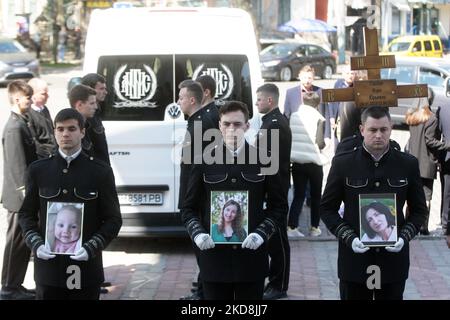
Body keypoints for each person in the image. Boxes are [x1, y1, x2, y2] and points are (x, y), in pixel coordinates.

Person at [181, 101, 287, 300]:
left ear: (247, 126)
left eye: (237, 124)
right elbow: (188, 208)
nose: (232, 129)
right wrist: (197, 234)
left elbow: (279, 207)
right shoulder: (202, 160)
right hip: (214, 261)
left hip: (251, 261)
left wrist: (262, 234)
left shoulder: (264, 160)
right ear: (219, 126)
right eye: (227, 124)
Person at [320, 106, 428, 300]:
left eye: (383, 130)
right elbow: (327, 208)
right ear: (362, 130)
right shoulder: (343, 163)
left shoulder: (407, 164)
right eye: (372, 130)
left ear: (391, 128)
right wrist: (349, 237)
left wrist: (404, 237)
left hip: (392, 263)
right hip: (355, 262)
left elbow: (419, 211)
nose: (378, 135)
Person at [18, 108, 122, 300]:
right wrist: (36, 244)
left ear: (82, 132)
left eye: (72, 129)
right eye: (60, 129)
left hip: (85, 270)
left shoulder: (100, 172)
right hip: (48, 271)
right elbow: (26, 214)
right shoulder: (38, 170)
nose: (66, 134)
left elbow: (113, 219)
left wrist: (92, 247)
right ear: (54, 132)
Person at [177, 79, 217, 300]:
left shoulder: (202, 122)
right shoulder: (196, 121)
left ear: (192, 100)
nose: (178, 102)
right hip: (193, 194)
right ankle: (203, 288)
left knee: (203, 249)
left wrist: (191, 199)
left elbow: (201, 166)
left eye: (181, 98)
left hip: (198, 196)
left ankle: (205, 293)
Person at [0, 80, 37, 300]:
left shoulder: (22, 121)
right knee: (16, 242)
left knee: (22, 244)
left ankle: (15, 284)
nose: (30, 101)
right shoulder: (14, 127)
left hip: (21, 198)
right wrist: (27, 199)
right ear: (17, 98)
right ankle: (8, 288)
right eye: (28, 97)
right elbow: (17, 168)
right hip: (18, 198)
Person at [255, 83, 291, 300]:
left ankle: (279, 285)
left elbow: (269, 162)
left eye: (259, 99)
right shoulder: (270, 121)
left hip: (275, 189)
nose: (257, 103)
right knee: (273, 240)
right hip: (273, 187)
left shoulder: (274, 124)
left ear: (270, 100)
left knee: (277, 241)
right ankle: (274, 281)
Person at [288, 92, 328, 238]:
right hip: (314, 162)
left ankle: (292, 227)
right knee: (316, 197)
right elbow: (319, 142)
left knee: (298, 195)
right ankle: (314, 228)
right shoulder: (318, 118)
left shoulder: (293, 116)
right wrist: (325, 145)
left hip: (297, 162)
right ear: (317, 104)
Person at [405, 89, 443, 235]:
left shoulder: (411, 116)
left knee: (411, 196)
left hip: (411, 163)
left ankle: (409, 225)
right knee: (426, 197)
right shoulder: (432, 118)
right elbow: (430, 141)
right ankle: (423, 227)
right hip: (427, 164)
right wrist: (446, 146)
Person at [81, 73, 110, 165]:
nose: (105, 92)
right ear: (90, 89)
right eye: (101, 89)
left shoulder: (96, 111)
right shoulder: (83, 117)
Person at [27, 78, 57, 158]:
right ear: (33, 95)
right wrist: (48, 154)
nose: (48, 96)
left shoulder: (44, 109)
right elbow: (35, 142)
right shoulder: (29, 114)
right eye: (43, 94)